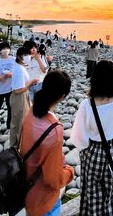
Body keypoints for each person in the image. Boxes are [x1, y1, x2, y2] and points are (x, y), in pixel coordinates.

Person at [70, 60, 113, 215]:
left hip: (93, 152)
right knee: (112, 192)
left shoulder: (87, 104)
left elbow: (78, 136)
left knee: (92, 192)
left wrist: (85, 150)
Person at [19, 70, 74, 216]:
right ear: (62, 97)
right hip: (42, 198)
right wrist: (70, 172)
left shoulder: (31, 112)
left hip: (25, 185)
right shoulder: (54, 131)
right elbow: (53, 179)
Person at [10, 47, 38, 147]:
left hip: (22, 96)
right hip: (19, 97)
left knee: (19, 122)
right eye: (25, 55)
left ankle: (16, 145)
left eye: (28, 55)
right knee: (19, 123)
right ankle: (17, 147)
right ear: (19, 56)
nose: (28, 57)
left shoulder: (20, 67)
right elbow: (18, 90)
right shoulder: (19, 70)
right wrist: (31, 82)